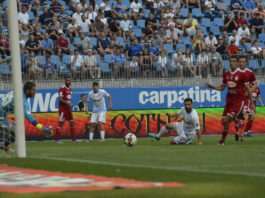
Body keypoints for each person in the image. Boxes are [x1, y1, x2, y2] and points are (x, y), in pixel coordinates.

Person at [205, 56, 252, 145]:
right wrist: (211, 86)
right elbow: (222, 88)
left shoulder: (242, 74)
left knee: (226, 120)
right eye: (230, 61)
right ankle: (235, 122)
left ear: (237, 63)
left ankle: (222, 140)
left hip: (238, 102)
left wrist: (251, 103)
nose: (231, 63)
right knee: (223, 122)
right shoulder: (226, 73)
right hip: (229, 102)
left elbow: (248, 89)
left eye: (234, 61)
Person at [0, 82, 53, 152]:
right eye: (33, 90)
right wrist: (42, 128)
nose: (35, 92)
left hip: (3, 115)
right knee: (18, 131)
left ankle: (5, 145)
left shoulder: (18, 91)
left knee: (16, 130)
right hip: (1, 117)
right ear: (27, 90)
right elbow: (30, 118)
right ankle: (6, 145)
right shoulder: (22, 101)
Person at [234, 56, 257, 141]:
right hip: (236, 99)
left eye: (243, 62)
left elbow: (255, 84)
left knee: (243, 116)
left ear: (246, 63)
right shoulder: (235, 72)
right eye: (240, 61)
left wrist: (249, 91)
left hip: (245, 99)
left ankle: (240, 136)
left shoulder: (250, 72)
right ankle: (238, 134)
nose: (241, 63)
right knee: (236, 119)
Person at [55, 76, 77, 143]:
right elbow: (61, 99)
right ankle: (56, 140)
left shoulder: (70, 89)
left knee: (72, 123)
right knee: (61, 123)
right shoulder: (62, 88)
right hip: (63, 110)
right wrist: (68, 104)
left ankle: (74, 140)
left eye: (69, 80)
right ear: (65, 81)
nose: (68, 81)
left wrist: (70, 104)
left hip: (68, 109)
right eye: (67, 80)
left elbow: (68, 99)